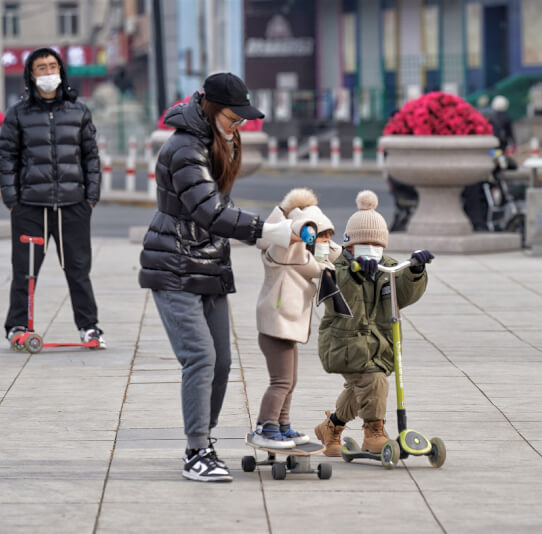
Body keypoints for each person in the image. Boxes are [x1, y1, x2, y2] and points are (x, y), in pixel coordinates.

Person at [138, 72, 311, 482]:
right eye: (235, 118)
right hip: (174, 262)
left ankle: (205, 442)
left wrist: (270, 231)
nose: (240, 126)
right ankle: (196, 450)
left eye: (244, 119)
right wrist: (266, 232)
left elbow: (220, 209)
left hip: (208, 261)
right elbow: (209, 211)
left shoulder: (221, 140)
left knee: (221, 363)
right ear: (211, 108)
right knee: (200, 357)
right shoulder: (184, 148)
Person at [0, 47, 105, 349]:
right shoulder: (17, 114)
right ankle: (17, 324)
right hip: (30, 207)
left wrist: (91, 198)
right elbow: (7, 158)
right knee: (25, 271)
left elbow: (91, 158)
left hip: (73, 205)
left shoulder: (79, 111)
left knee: (79, 270)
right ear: (31, 75)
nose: (48, 73)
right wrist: (12, 200)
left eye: (52, 66)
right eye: (41, 68)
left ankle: (89, 328)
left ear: (61, 71)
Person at [314, 190, 432, 457]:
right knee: (374, 381)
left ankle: (331, 426)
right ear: (349, 246)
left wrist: (415, 271)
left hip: (378, 345)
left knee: (362, 388)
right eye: (364, 245)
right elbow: (338, 295)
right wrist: (356, 274)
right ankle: (373, 432)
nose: (372, 251)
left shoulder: (387, 267)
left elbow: (403, 295)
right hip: (345, 345)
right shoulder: (336, 269)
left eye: (377, 245)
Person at [251, 188, 342, 449]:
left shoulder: (310, 258)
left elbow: (335, 256)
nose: (324, 241)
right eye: (320, 236)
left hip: (287, 328)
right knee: (280, 381)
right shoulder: (285, 250)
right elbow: (287, 229)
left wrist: (324, 238)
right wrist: (304, 223)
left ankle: (282, 425)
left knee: (290, 381)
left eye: (326, 236)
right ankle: (265, 426)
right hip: (276, 326)